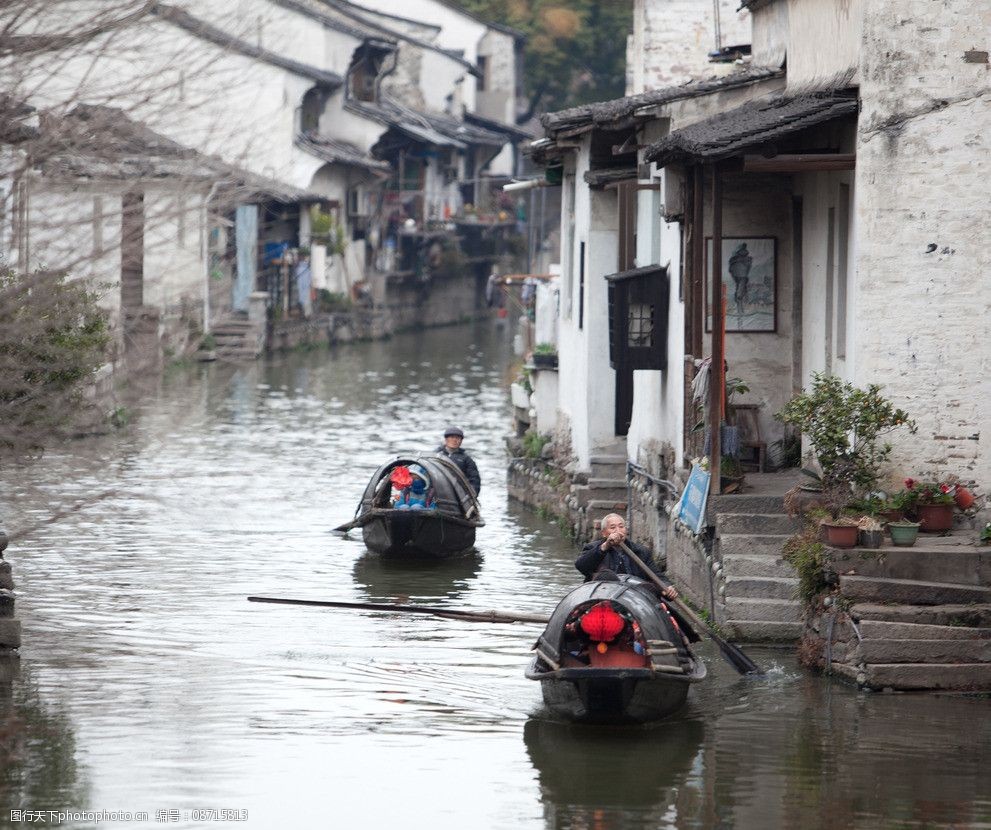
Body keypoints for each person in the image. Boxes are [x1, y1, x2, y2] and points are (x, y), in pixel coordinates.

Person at [575, 513, 678, 600]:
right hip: (604, 597)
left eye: (621, 527)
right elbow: (581, 566)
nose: (618, 531)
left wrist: (666, 587)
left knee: (649, 588)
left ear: (626, 530)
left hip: (635, 597)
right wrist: (606, 545)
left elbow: (657, 576)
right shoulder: (592, 548)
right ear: (604, 533)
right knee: (607, 576)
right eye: (612, 527)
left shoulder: (641, 551)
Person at [436, 426, 481, 496]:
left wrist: (472, 495)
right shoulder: (435, 455)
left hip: (457, 493)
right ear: (446, 439)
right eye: (452, 437)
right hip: (437, 487)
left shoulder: (467, 459)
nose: (455, 440)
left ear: (461, 441)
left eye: (457, 438)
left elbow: (474, 480)